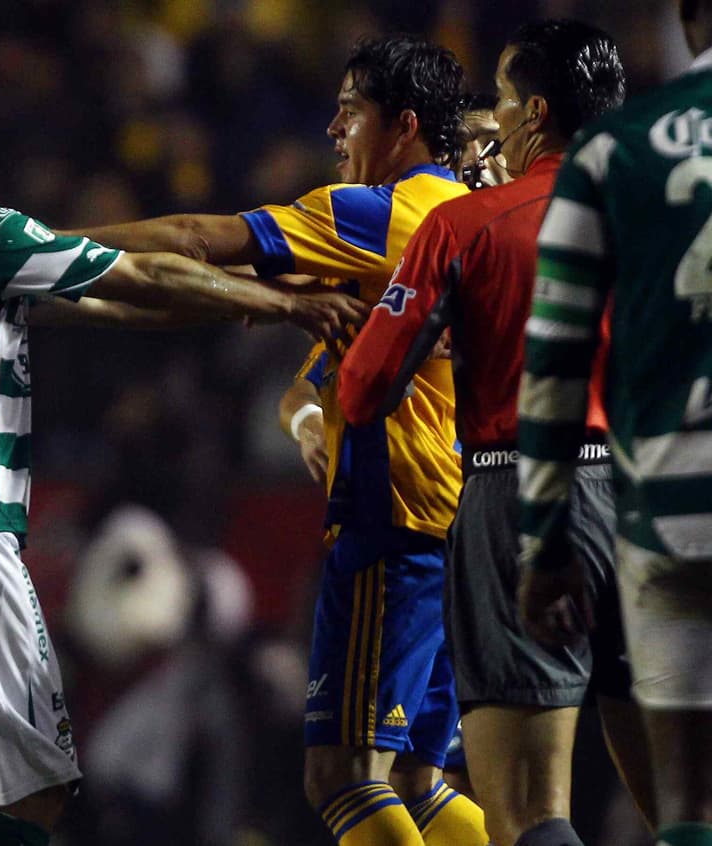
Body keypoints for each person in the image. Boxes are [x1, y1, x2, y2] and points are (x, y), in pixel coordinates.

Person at [0, 75, 366, 846]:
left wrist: (240, 290)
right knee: (39, 789)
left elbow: (106, 300)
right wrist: (292, 306)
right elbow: (132, 272)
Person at [74, 33, 488, 846]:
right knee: (419, 780)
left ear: (403, 125)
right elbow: (302, 367)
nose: (333, 132)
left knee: (341, 776)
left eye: (348, 113)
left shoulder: (379, 214)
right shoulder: (467, 224)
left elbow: (198, 238)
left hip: (392, 521)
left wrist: (40, 247)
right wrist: (306, 421)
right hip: (461, 523)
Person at [336, 21, 648, 846]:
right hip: (659, 501)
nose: (494, 123)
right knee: (685, 805)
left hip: (525, 493)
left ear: (536, 111)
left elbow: (365, 388)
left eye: (503, 103)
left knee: (529, 811)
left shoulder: (467, 223)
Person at [517, 2, 712, 844]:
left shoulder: (610, 150)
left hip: (668, 508)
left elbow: (555, 366)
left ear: (690, 18)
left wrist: (544, 543)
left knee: (686, 805)